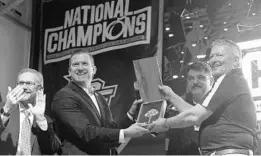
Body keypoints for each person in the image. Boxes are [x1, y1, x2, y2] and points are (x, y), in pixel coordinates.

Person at [148, 39, 257, 156]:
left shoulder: (229, 79)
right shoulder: (232, 82)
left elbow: (195, 116)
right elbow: (196, 114)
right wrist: (170, 96)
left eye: (220, 55)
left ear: (236, 61)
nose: (214, 60)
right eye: (212, 56)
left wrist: (165, 123)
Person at [52, 49, 149, 155]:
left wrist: (131, 114)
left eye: (85, 64)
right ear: (69, 71)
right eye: (75, 64)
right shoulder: (64, 96)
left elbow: (110, 129)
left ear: (93, 69)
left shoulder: (99, 97)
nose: (80, 68)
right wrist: (124, 133)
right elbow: (86, 132)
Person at [0, 68, 61, 155]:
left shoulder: (46, 120)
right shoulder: (3, 108)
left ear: (39, 89)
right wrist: (6, 110)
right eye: (21, 83)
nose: (24, 87)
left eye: (29, 83)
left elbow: (51, 150)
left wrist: (40, 119)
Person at [165, 61, 213, 155]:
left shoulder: (221, 107)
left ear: (211, 81)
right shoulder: (173, 111)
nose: (195, 82)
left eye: (201, 77)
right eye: (191, 78)